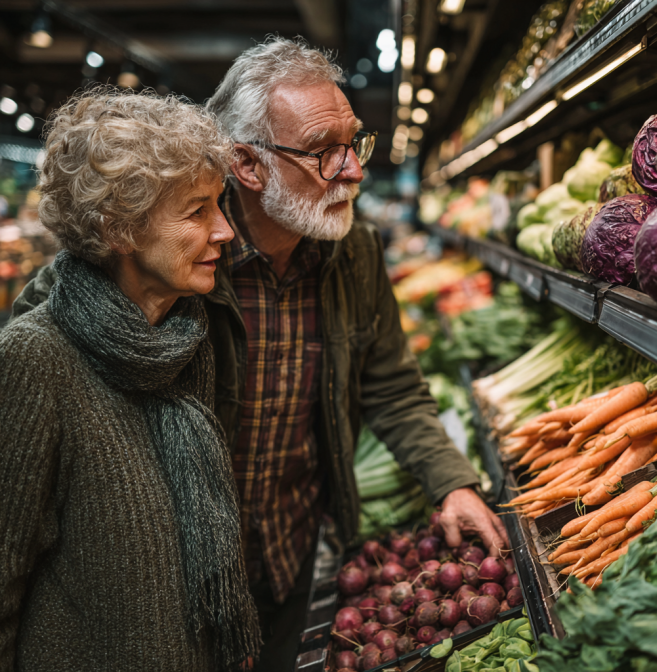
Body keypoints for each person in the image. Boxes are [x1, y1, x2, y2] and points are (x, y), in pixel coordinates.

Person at [13, 38, 509, 671]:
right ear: (248, 165)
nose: (353, 170)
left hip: (289, 561)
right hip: (178, 591)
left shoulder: (350, 252)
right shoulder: (168, 267)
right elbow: (45, 353)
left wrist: (451, 481)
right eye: (324, 153)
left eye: (353, 143)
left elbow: (389, 383)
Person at [0, 88, 261, 671]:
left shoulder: (183, 338)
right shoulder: (35, 360)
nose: (226, 232)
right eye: (197, 212)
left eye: (220, 206)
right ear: (117, 229)